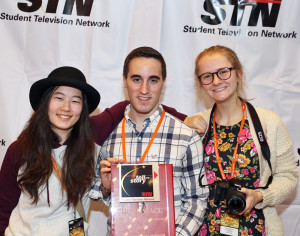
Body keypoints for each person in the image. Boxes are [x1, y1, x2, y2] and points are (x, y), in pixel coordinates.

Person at [89, 46, 209, 236]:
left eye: (153, 80)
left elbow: (197, 200)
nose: (144, 90)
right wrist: (105, 187)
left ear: (163, 83)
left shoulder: (187, 137)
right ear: (124, 80)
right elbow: (97, 191)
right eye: (137, 79)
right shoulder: (108, 135)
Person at [189, 45, 298, 236]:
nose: (216, 81)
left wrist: (260, 196)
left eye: (223, 72)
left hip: (257, 228)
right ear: (200, 83)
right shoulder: (197, 125)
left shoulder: (269, 122)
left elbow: (288, 175)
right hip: (207, 229)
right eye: (207, 76)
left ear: (238, 73)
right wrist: (187, 125)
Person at [0, 66, 101, 236]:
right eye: (59, 98)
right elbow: (3, 209)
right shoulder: (20, 150)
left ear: (83, 108)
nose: (66, 107)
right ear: (46, 101)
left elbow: (119, 113)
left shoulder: (92, 151)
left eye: (75, 101)